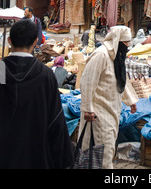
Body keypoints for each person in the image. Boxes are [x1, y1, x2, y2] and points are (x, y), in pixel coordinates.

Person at [0, 19, 73, 169]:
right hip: (35, 156)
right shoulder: (45, 74)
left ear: (9, 41)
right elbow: (55, 121)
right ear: (35, 42)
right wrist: (63, 161)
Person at [79, 25, 138, 169]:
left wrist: (131, 101)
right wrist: (88, 108)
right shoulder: (101, 55)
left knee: (108, 148)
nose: (127, 47)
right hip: (97, 112)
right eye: (125, 44)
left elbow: (120, 80)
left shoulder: (116, 56)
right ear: (117, 41)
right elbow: (87, 82)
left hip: (112, 110)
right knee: (103, 151)